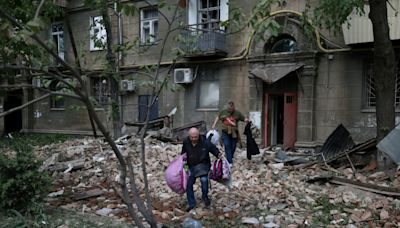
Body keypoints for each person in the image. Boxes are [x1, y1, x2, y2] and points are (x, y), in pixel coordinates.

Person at [181, 127, 223, 212]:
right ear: (189, 136)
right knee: (188, 183)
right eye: (192, 137)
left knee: (204, 180)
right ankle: (191, 203)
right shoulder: (186, 142)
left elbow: (213, 149)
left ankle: (205, 196)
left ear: (198, 135)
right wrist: (184, 168)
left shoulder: (205, 141)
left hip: (203, 165)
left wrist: (219, 155)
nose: (193, 139)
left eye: (195, 137)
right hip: (191, 165)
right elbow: (183, 155)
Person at [211, 101, 248, 166]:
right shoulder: (223, 112)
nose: (230, 111)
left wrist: (247, 120)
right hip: (225, 132)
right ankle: (229, 161)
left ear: (233, 108)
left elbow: (243, 118)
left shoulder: (237, 113)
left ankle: (230, 156)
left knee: (233, 146)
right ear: (227, 108)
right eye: (229, 109)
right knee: (227, 145)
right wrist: (214, 125)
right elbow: (218, 117)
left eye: (231, 109)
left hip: (234, 132)